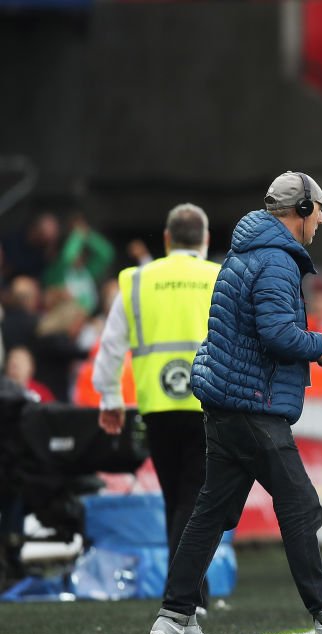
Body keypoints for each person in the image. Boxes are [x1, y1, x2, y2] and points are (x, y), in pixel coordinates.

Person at [147, 172, 322, 634]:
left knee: (210, 511)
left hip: (228, 402)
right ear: (298, 212)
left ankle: (174, 616)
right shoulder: (276, 260)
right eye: (317, 208)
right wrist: (319, 344)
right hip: (251, 405)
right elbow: (276, 334)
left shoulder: (249, 251)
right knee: (300, 503)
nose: (320, 218)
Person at [92, 203, 220, 611]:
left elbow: (111, 346)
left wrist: (110, 398)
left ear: (166, 239)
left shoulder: (136, 280)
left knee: (175, 498)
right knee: (196, 498)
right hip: (209, 402)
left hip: (156, 405)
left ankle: (190, 591)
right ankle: (184, 594)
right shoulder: (219, 277)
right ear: (205, 240)